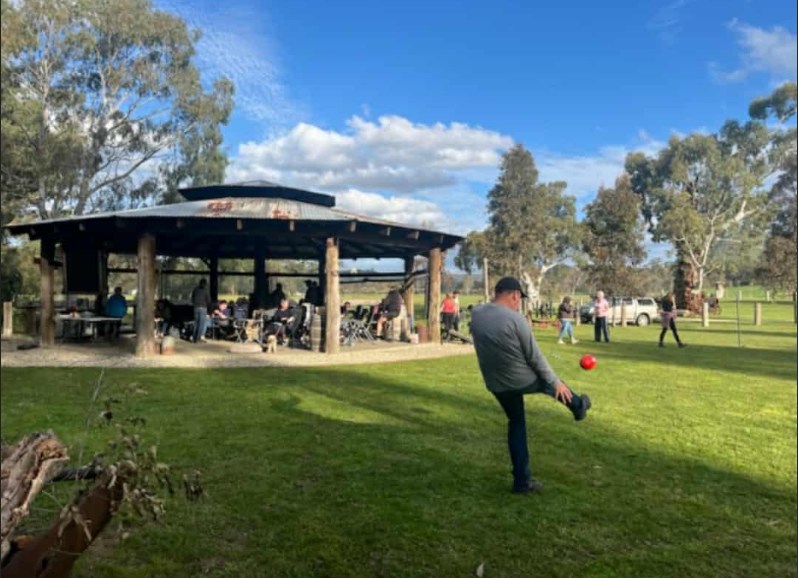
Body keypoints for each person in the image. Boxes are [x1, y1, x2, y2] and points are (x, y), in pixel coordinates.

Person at [471, 277, 592, 494]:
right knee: (552, 383)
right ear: (515, 295)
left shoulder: (477, 314)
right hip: (520, 379)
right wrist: (555, 382)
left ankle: (522, 482)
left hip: (496, 382)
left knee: (516, 424)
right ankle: (578, 406)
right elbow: (535, 357)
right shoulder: (515, 320)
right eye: (519, 299)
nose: (519, 303)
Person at [191, 278, 211, 343]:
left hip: (196, 308)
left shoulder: (195, 290)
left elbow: (192, 298)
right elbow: (208, 301)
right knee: (201, 324)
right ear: (205, 284)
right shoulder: (205, 290)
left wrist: (195, 304)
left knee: (196, 323)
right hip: (203, 308)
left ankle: (194, 338)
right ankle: (198, 338)